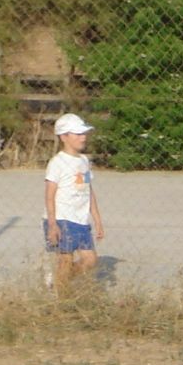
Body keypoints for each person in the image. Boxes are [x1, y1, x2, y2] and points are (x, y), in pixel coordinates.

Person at [43, 112, 105, 289]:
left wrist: (97, 219)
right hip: (63, 219)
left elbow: (88, 191)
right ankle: (60, 298)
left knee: (90, 260)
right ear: (64, 137)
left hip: (80, 220)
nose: (83, 138)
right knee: (65, 259)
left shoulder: (84, 160)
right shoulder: (57, 163)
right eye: (77, 134)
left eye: (84, 133)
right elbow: (49, 195)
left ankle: (57, 282)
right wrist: (52, 224)